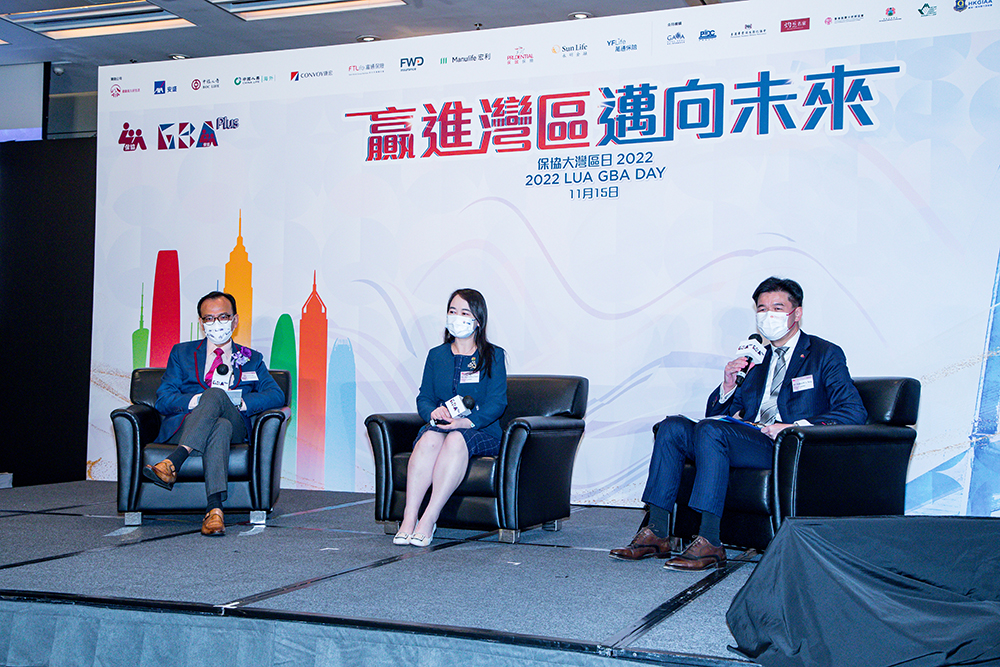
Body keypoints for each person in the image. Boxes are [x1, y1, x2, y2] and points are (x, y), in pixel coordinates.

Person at [610, 277, 867, 570]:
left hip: (785, 446)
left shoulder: (823, 354)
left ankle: (709, 540)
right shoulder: (756, 360)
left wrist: (794, 427)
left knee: (712, 432)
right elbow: (717, 417)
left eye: (777, 308)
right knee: (672, 428)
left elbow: (853, 411)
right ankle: (656, 532)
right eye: (762, 309)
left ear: (796, 313)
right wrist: (728, 386)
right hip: (750, 438)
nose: (768, 315)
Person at [143, 291, 285, 536]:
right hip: (187, 425)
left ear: (235, 320)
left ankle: (173, 462)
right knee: (219, 424)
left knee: (217, 397)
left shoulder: (251, 359)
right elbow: (164, 398)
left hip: (236, 423)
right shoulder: (182, 353)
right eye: (209, 318)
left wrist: (240, 403)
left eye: (223, 317)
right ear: (201, 323)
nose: (216, 323)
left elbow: (276, 394)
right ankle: (215, 510)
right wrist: (197, 401)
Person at [394, 288, 508, 547]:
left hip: (480, 430)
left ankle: (429, 518)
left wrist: (465, 422)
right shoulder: (437, 355)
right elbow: (424, 397)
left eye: (465, 313)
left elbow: (497, 403)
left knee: (457, 438)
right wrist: (432, 412)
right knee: (429, 439)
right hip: (442, 426)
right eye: (453, 311)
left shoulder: (493, 356)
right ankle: (409, 518)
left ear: (478, 320)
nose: (457, 317)